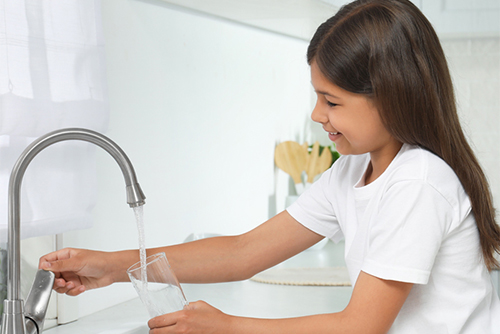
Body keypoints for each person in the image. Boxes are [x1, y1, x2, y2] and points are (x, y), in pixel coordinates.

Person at [39, 0, 500, 333]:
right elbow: (245, 252)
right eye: (317, 96)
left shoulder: (418, 182)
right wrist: (114, 267)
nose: (318, 115)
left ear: (393, 96)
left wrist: (228, 327)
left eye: (332, 100)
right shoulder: (351, 173)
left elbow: (360, 326)